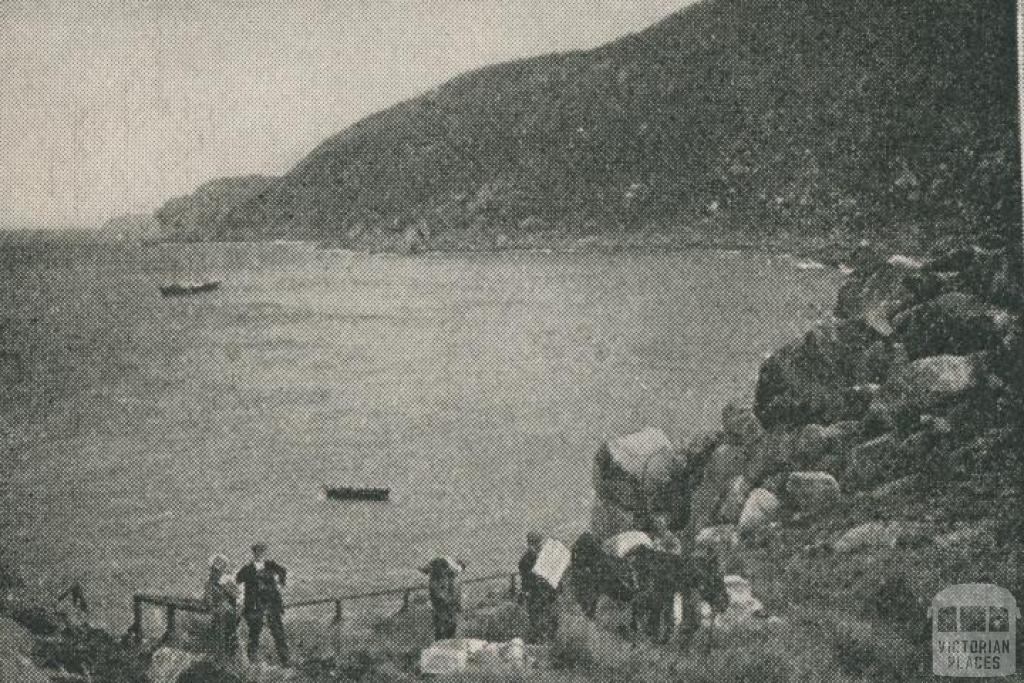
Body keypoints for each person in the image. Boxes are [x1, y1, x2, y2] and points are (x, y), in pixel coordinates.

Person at [235, 543, 289, 665]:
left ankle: (285, 660)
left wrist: (280, 583)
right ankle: (253, 662)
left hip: (271, 604)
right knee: (254, 634)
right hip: (255, 606)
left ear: (265, 553)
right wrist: (241, 597)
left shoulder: (271, 565)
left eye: (262, 552)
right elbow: (237, 580)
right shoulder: (247, 569)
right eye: (257, 552)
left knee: (278, 633)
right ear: (253, 554)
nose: (260, 555)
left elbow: (283, 572)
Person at [518, 532, 559, 643]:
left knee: (546, 619)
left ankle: (545, 639)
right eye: (538, 543)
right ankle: (540, 641)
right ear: (533, 544)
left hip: (543, 595)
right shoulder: (527, 560)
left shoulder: (535, 557)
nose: (540, 546)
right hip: (537, 595)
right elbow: (528, 581)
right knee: (538, 620)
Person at [203, 554, 239, 659]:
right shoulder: (209, 583)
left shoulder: (226, 581)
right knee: (219, 632)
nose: (215, 572)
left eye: (218, 570)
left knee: (228, 632)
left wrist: (227, 589)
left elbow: (237, 594)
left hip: (227, 612)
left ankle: (228, 654)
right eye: (214, 570)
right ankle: (220, 656)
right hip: (218, 612)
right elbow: (208, 599)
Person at [422, 557, 464, 640]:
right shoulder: (439, 577)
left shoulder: (450, 578)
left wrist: (455, 602)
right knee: (442, 626)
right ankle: (443, 642)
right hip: (442, 605)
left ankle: (447, 641)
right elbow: (437, 592)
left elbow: (454, 592)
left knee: (449, 625)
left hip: (447, 605)